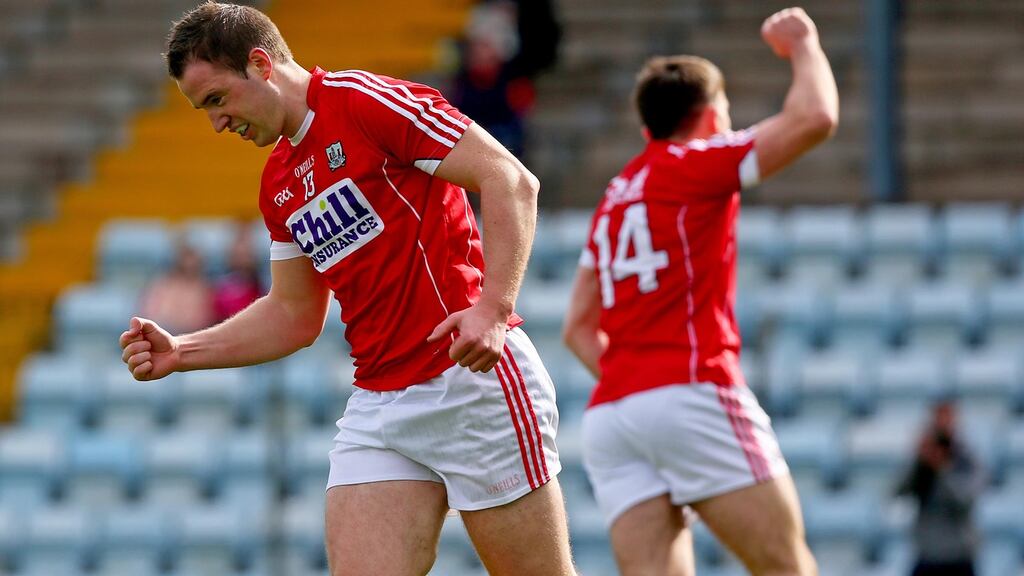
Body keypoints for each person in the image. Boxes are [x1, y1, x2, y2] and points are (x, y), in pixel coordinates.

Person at [119, 3, 575, 575]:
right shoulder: (278, 183)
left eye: (217, 100)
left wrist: (493, 308)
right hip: (379, 404)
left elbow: (509, 179)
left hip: (469, 382)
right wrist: (183, 351)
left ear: (260, 65)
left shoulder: (365, 102)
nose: (217, 123)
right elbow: (292, 314)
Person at [563, 7, 837, 576]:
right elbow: (814, 117)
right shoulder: (695, 162)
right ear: (712, 118)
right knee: (788, 566)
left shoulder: (615, 195)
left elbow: (577, 329)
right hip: (690, 391)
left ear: (646, 130)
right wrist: (805, 45)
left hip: (613, 414)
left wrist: (637, 388)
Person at [896, 400, 985, 576]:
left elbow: (964, 500)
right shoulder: (922, 461)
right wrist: (918, 461)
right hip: (928, 554)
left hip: (958, 555)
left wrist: (942, 469)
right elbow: (899, 491)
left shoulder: (967, 460)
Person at [138, 240, 214, 334]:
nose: (189, 265)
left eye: (193, 262)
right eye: (185, 260)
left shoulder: (204, 288)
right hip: (162, 333)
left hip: (192, 337)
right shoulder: (162, 284)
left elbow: (202, 320)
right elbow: (149, 314)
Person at [211, 223, 265, 323]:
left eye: (246, 255)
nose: (242, 259)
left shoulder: (262, 285)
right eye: (238, 255)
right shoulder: (222, 285)